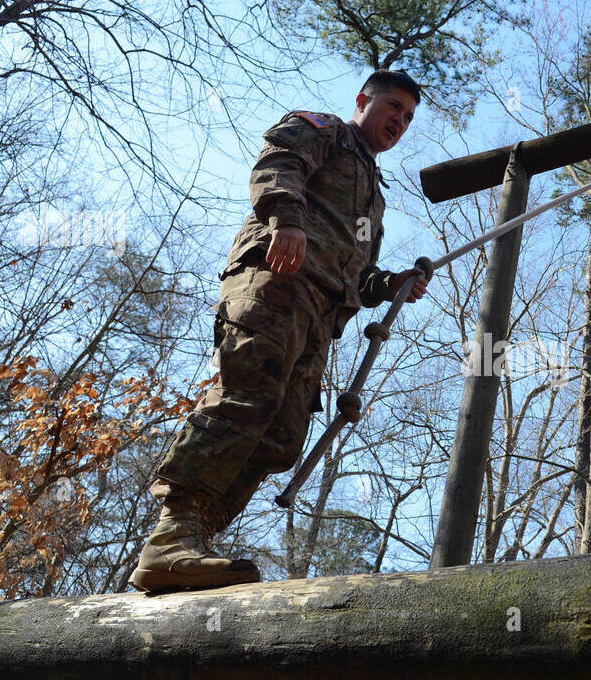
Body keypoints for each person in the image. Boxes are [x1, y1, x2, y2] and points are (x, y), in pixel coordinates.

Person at [129, 70, 428, 593]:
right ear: (364, 101)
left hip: (318, 317)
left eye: (407, 117)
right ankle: (171, 535)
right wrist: (285, 219)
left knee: (282, 438)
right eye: (393, 108)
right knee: (247, 399)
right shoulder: (326, 131)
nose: (398, 122)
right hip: (278, 280)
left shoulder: (374, 200)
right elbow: (279, 162)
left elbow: (355, 268)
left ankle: (194, 542)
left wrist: (390, 283)